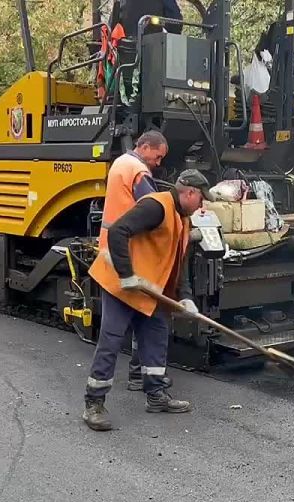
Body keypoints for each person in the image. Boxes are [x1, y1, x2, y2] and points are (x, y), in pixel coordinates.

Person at [83, 170, 212, 431]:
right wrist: (126, 274)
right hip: (122, 285)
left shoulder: (183, 219)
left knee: (156, 337)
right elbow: (118, 231)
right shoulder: (156, 205)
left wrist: (185, 299)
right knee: (112, 340)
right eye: (201, 199)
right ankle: (93, 404)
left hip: (149, 290)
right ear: (190, 192)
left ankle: (156, 395)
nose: (203, 205)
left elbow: (180, 265)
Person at [98, 131, 171, 392]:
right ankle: (132, 379)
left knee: (142, 319)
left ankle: (139, 377)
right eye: (158, 155)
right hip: (127, 257)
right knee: (125, 327)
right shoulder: (137, 171)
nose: (158, 162)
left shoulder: (120, 164)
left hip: (113, 254)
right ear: (145, 146)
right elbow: (152, 209)